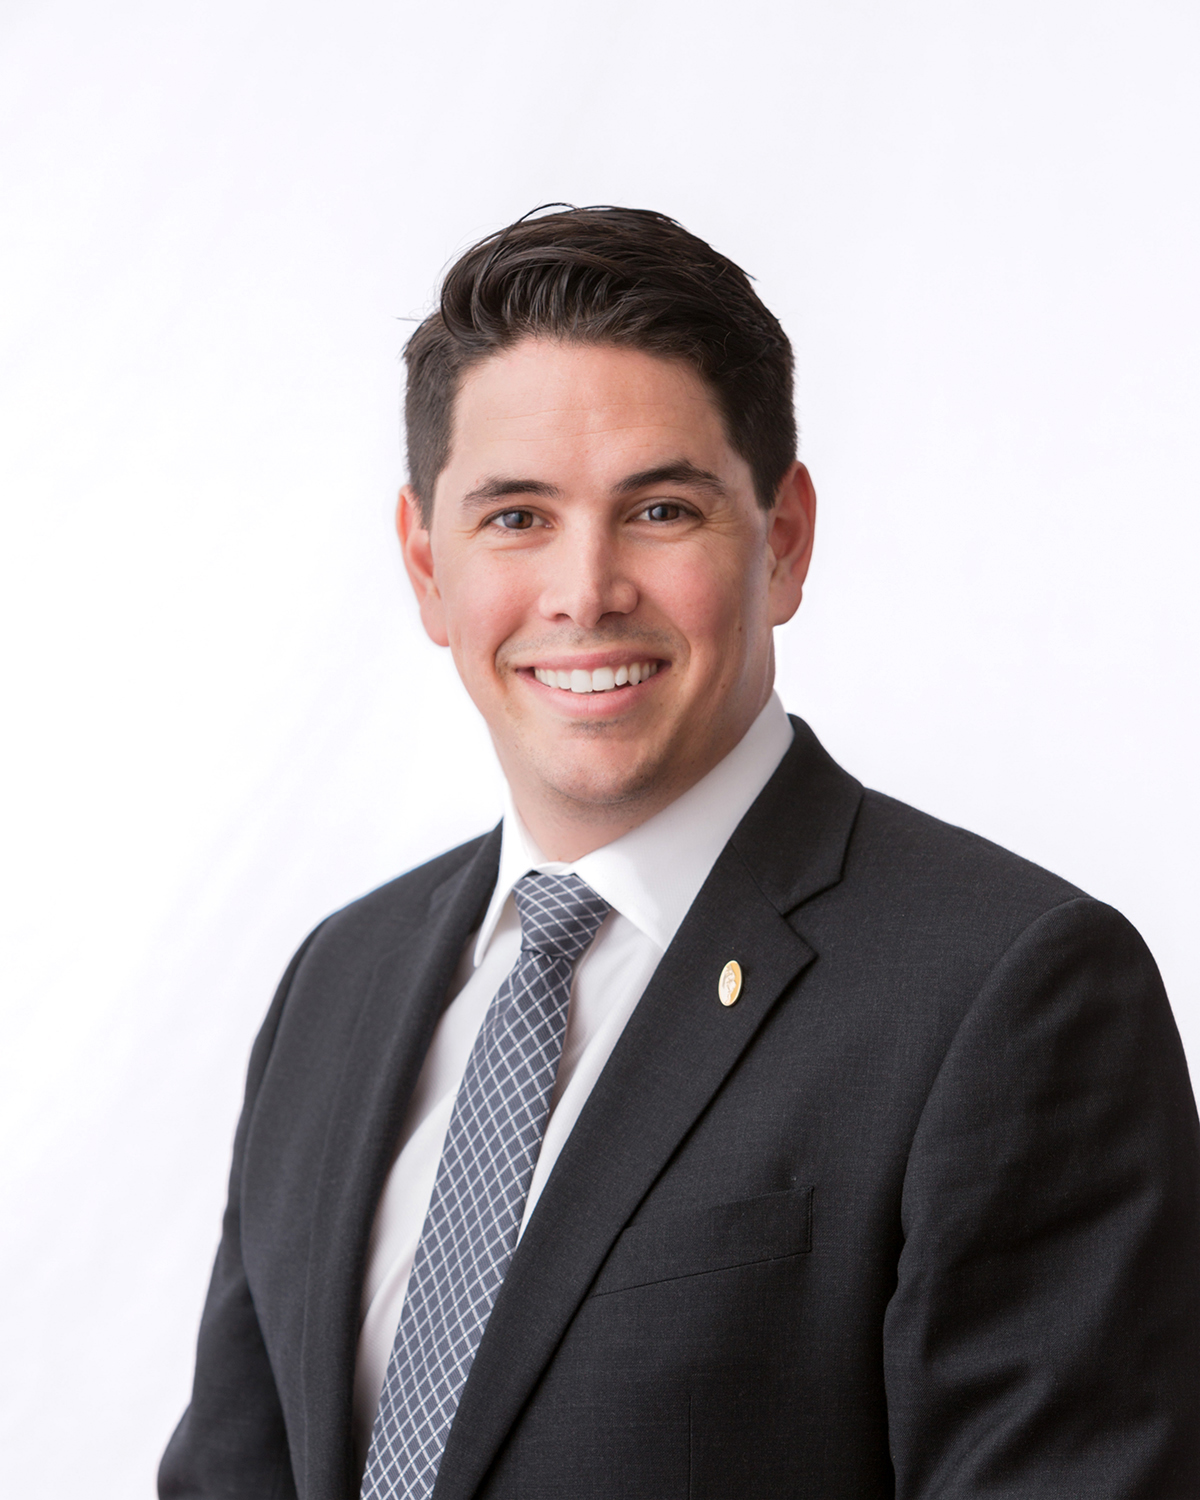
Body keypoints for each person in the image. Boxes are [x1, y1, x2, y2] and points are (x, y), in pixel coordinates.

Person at [159, 207, 1200, 1500]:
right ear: (427, 565)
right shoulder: (340, 982)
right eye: (516, 517)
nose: (586, 590)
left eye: (659, 508)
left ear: (785, 540)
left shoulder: (1009, 996)